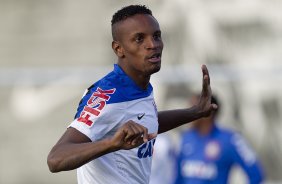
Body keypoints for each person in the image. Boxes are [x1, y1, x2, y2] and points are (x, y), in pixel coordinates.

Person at [47, 5, 217, 184]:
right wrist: (112, 144)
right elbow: (55, 159)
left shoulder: (141, 85)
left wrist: (196, 112)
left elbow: (150, 121)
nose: (152, 45)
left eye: (156, 36)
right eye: (139, 39)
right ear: (119, 49)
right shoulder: (107, 96)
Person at [174, 94, 265, 184]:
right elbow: (178, 178)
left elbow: (256, 174)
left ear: (208, 112)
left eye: (193, 109)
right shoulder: (186, 138)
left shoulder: (231, 139)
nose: (187, 114)